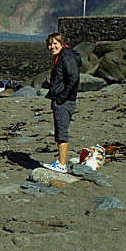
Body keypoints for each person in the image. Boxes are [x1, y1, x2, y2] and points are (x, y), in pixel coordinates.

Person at [44, 33, 82, 173]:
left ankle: (62, 164)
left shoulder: (66, 57)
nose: (51, 47)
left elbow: (74, 78)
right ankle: (61, 161)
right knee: (60, 131)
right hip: (62, 99)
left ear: (62, 43)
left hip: (64, 101)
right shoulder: (62, 56)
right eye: (49, 44)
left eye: (55, 43)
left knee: (61, 132)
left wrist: (62, 97)